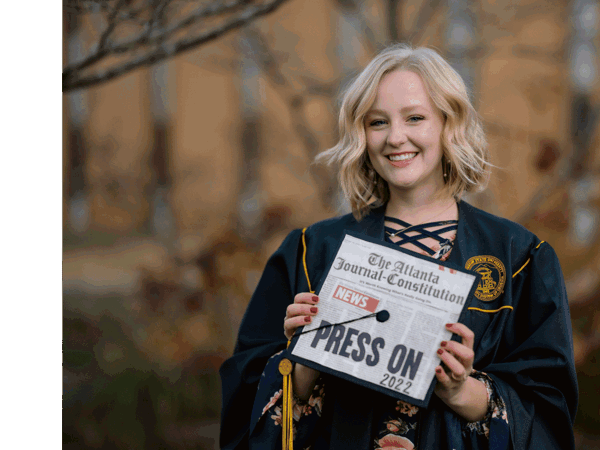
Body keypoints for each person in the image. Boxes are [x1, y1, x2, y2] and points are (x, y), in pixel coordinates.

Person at [219, 44, 578, 450]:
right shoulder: (310, 251)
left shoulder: (519, 257)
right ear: (362, 135)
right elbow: (243, 403)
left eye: (415, 118)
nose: (395, 138)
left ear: (449, 123)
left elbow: (549, 409)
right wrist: (301, 360)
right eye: (377, 122)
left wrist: (463, 392)